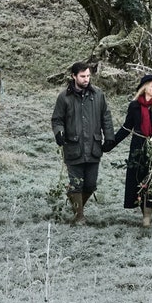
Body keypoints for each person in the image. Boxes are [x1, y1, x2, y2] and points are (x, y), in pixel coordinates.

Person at [51, 59, 118, 225]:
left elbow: (106, 117)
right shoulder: (64, 98)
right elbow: (57, 119)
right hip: (73, 146)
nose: (86, 79)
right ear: (74, 76)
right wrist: (59, 133)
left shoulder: (98, 95)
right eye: (82, 76)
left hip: (94, 146)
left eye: (88, 76)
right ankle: (79, 216)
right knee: (76, 184)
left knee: (90, 184)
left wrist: (109, 137)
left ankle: (76, 205)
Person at [118, 72, 152, 229]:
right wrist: (108, 144)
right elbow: (126, 127)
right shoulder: (134, 106)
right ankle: (145, 215)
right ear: (145, 88)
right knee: (139, 180)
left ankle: (147, 217)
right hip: (138, 148)